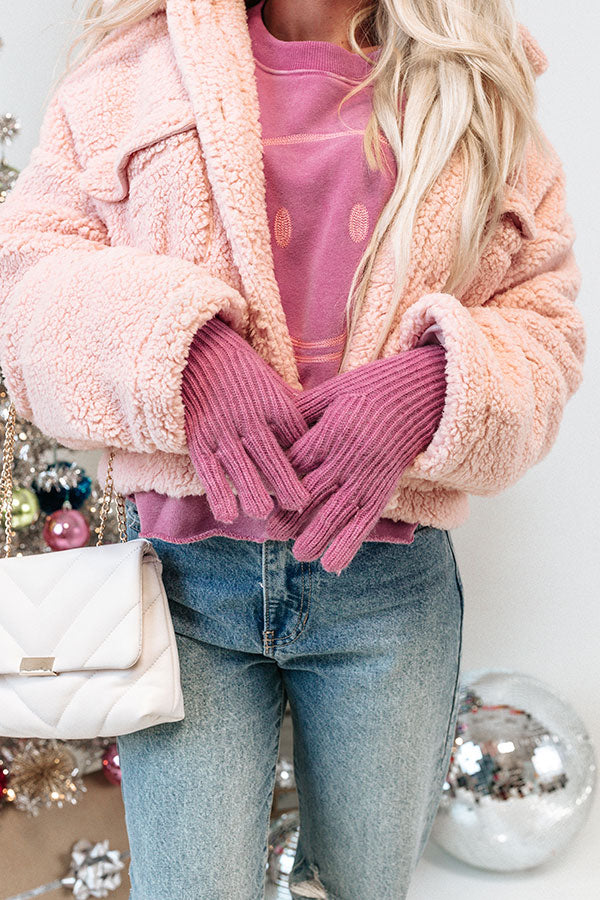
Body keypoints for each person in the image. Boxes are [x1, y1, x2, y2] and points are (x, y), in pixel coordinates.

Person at [0, 0, 585, 897]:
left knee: (363, 886)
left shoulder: (475, 82)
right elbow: (25, 279)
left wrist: (436, 385)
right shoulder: (132, 68)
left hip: (387, 586)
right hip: (187, 582)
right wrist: (181, 350)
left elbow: (546, 326)